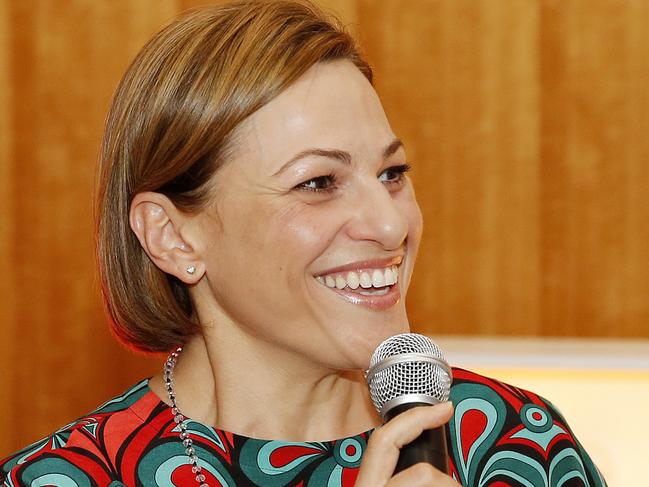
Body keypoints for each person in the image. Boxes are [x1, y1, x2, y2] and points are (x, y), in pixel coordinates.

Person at [1, 1, 606, 486]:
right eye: (318, 183)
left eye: (392, 174)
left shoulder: (515, 448)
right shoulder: (64, 478)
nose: (390, 226)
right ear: (173, 235)